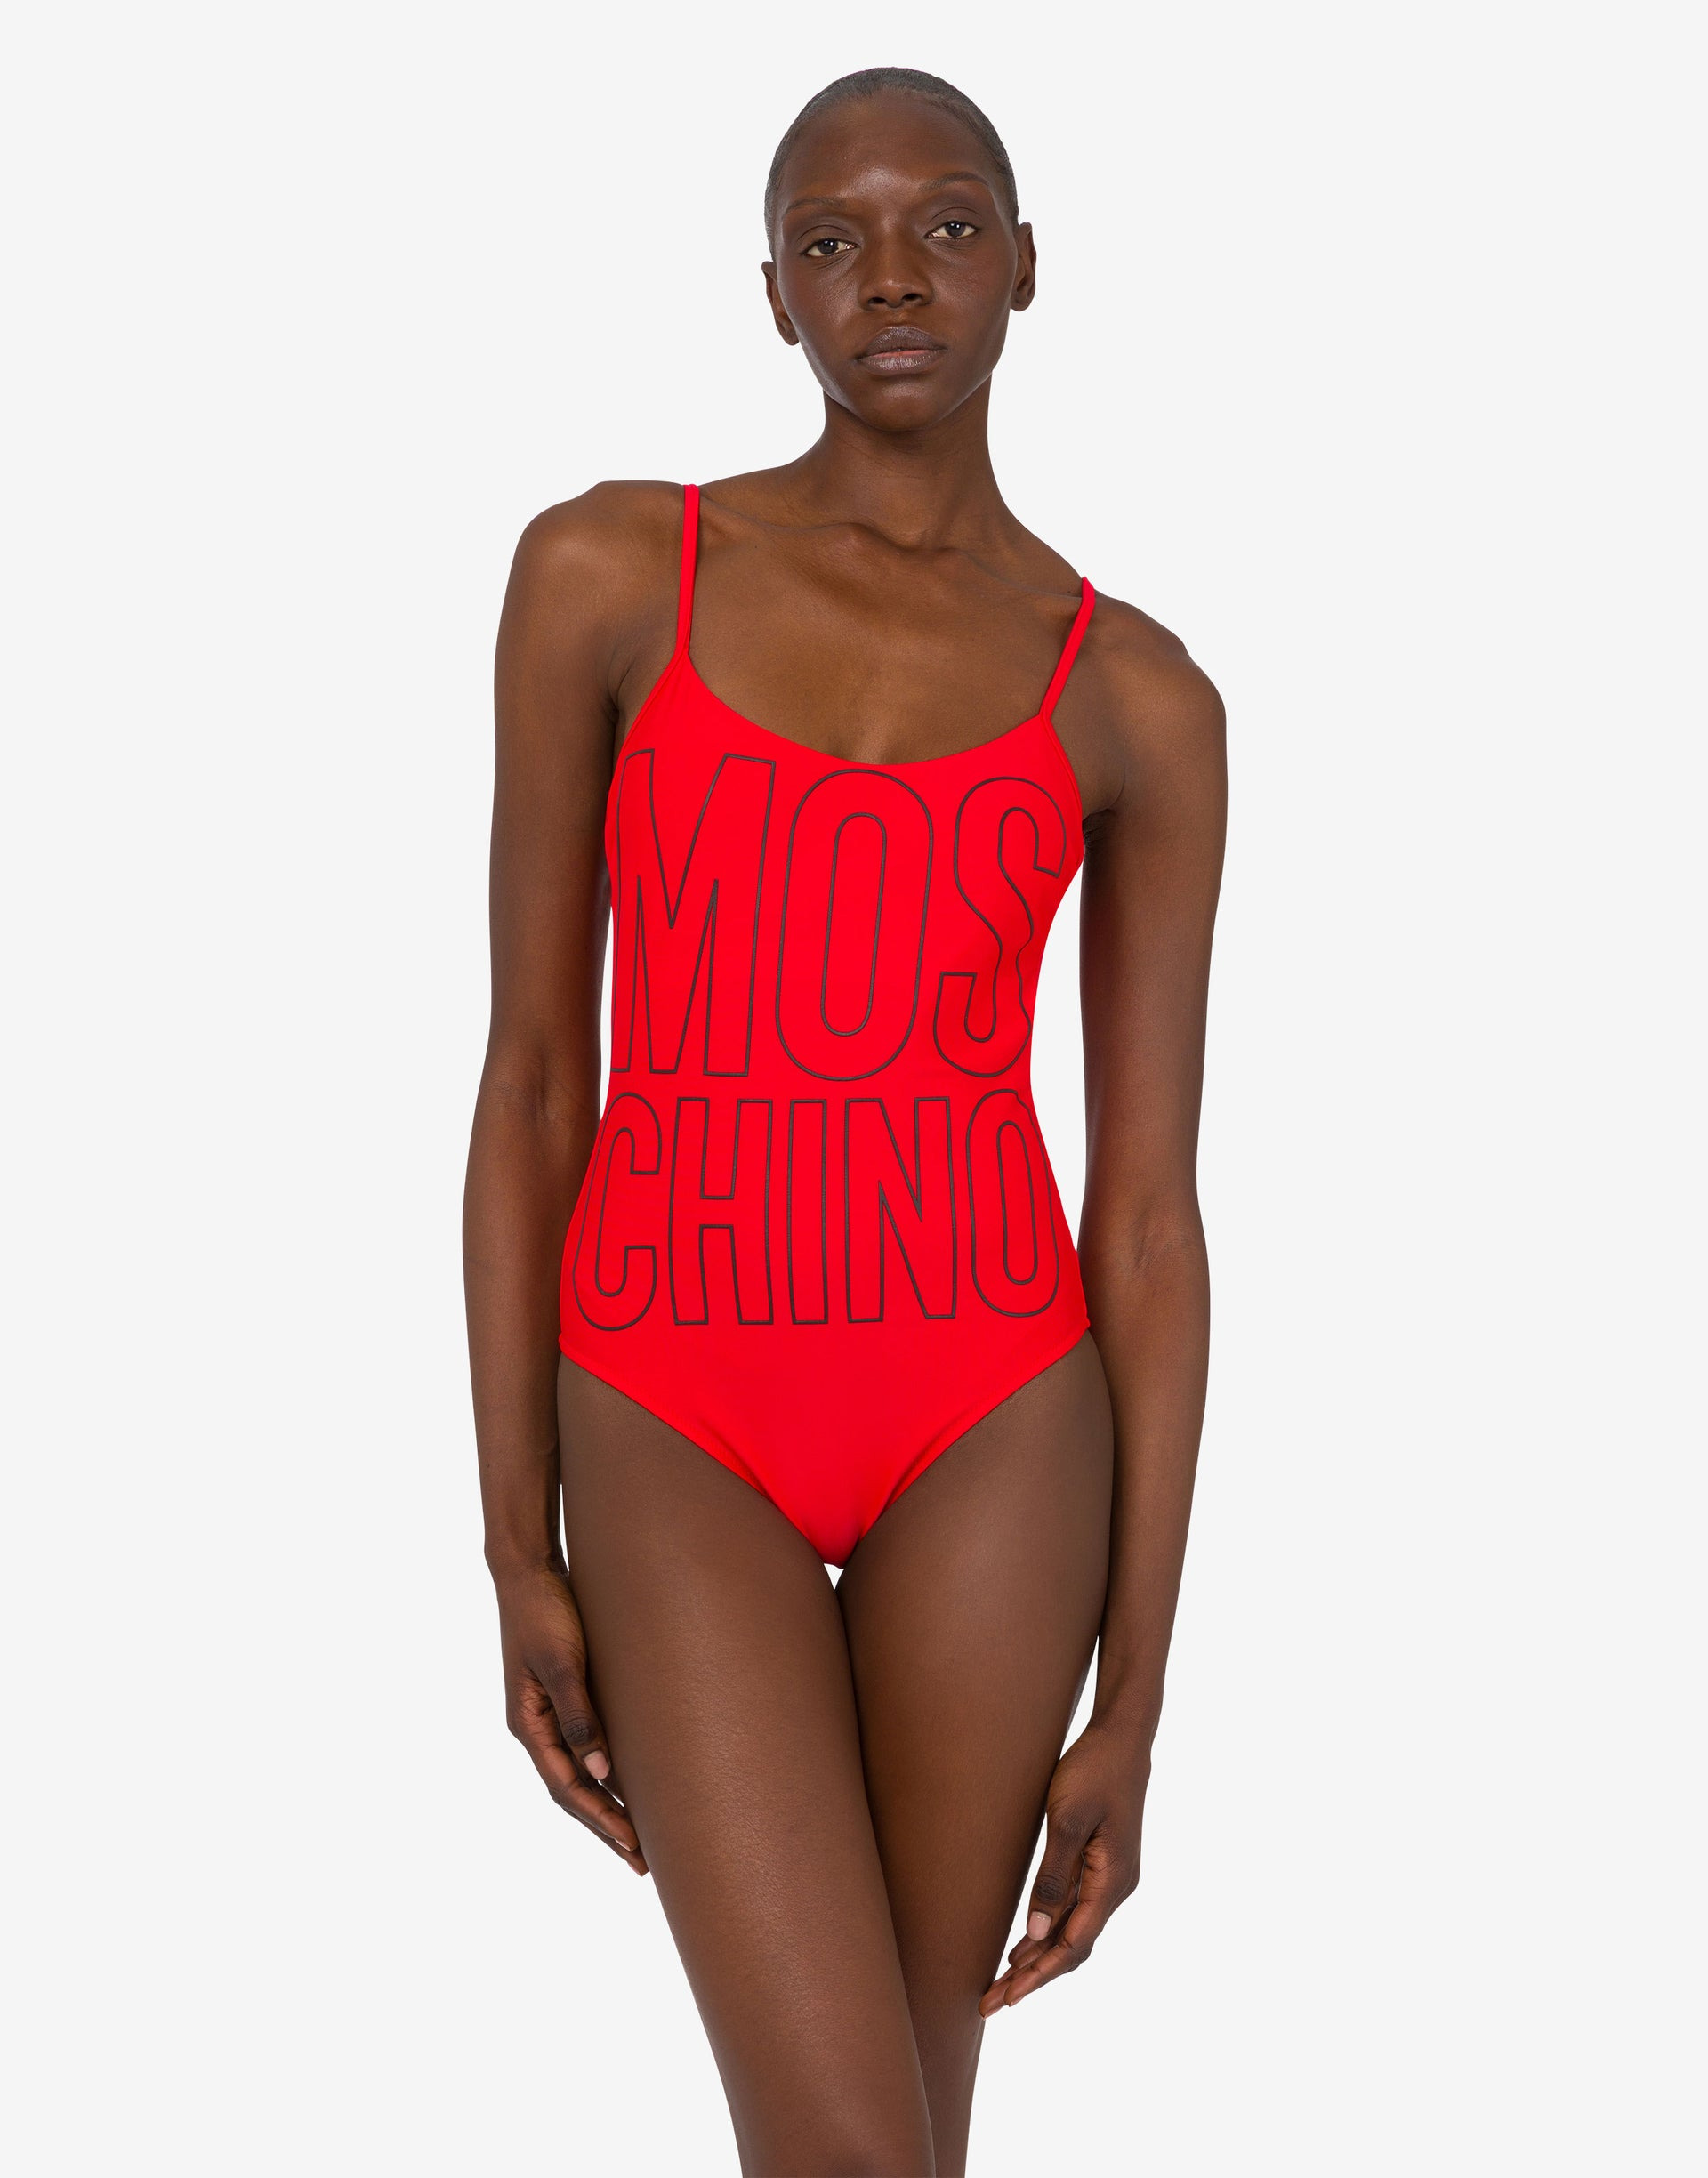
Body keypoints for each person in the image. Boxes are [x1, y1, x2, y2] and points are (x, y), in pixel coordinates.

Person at [463, 65, 1226, 2178]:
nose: (893, 275)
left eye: (947, 225)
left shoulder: (1136, 696)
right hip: (666, 1394)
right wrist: (514, 1531)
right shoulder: (610, 574)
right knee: (846, 2146)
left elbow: (1148, 1221)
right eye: (832, 239)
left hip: (996, 1417)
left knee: (907, 2136)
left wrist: (1138, 1696)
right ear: (774, 295)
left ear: (1026, 266)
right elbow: (534, 1075)